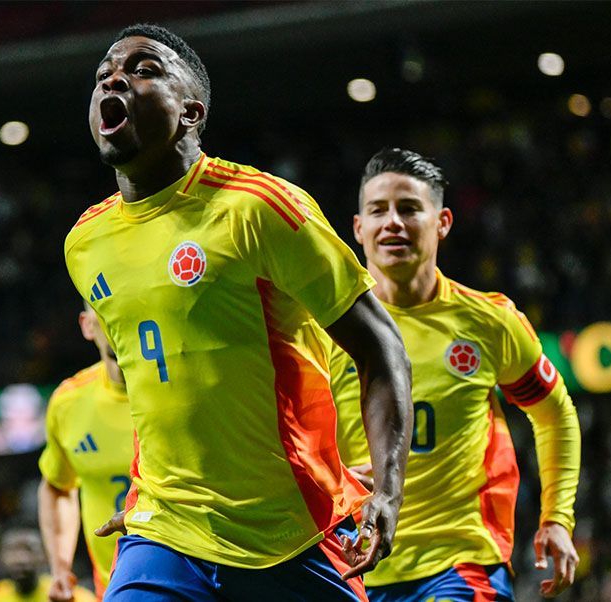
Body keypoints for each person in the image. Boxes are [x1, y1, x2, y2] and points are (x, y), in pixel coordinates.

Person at [64, 23, 414, 601]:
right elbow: (156, 382)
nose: (115, 79)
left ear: (190, 111)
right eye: (104, 75)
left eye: (144, 69)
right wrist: (143, 492)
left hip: (288, 532)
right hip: (165, 533)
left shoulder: (259, 209)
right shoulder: (86, 242)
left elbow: (381, 348)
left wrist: (388, 491)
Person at [331, 148, 581, 600]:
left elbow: (554, 413)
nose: (393, 223)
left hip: (459, 563)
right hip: (349, 565)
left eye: (409, 208)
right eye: (378, 211)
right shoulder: (321, 329)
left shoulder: (490, 323)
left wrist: (557, 518)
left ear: (443, 222)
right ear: (358, 228)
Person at [38, 305, 134, 600]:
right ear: (87, 326)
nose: (118, 319)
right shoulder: (69, 402)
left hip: (198, 579)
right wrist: (60, 568)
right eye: (106, 310)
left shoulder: (184, 387)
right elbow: (58, 487)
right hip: (114, 589)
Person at [0, 529, 95, 602]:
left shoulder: (69, 597)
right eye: (12, 551)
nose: (21, 559)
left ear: (45, 556)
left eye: (29, 550)